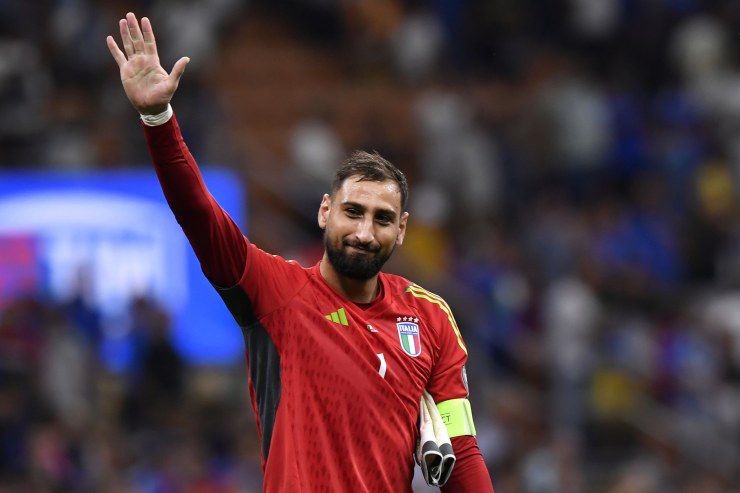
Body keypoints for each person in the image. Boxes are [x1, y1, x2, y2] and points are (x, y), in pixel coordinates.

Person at [106, 12, 494, 492]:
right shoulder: (277, 293)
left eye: (382, 219)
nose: (364, 232)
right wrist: (158, 119)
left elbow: (462, 451)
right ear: (325, 212)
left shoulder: (430, 319)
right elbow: (198, 213)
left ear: (401, 231)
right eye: (353, 212)